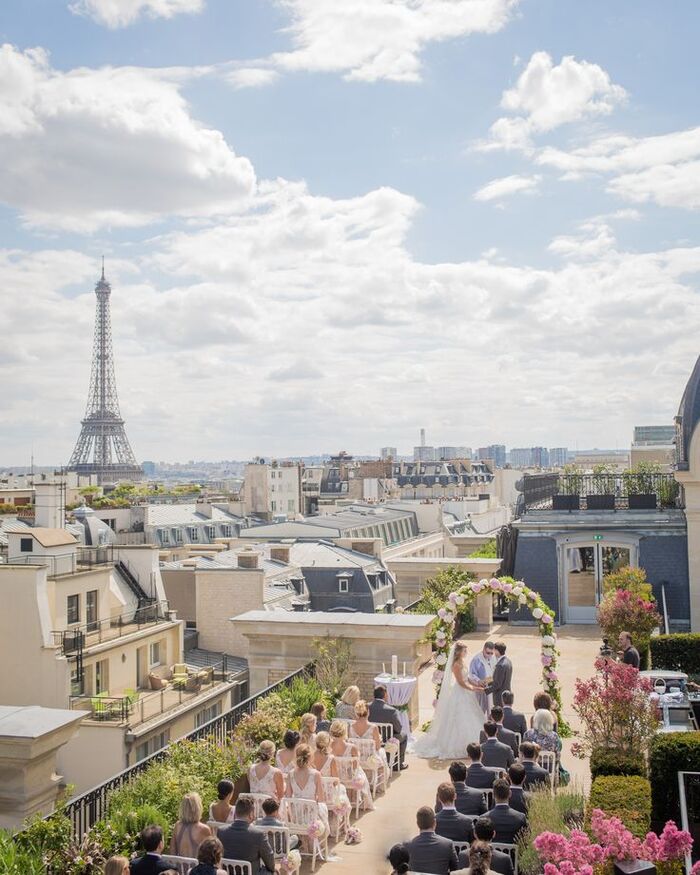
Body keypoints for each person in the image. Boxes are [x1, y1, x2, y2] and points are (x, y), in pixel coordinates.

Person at [415, 641, 488, 759]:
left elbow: (467, 678)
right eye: (464, 651)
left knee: (472, 716)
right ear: (459, 652)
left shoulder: (462, 662)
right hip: (460, 693)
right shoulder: (456, 665)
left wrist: (476, 683)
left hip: (467, 693)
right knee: (458, 719)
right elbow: (461, 682)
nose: (466, 653)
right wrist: (474, 689)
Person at [218, 797, 275, 874]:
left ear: (235, 813)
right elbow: (269, 860)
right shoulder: (258, 834)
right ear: (251, 814)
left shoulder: (221, 831)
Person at [329, 718, 374, 811]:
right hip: (349, 778)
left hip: (334, 778)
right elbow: (355, 767)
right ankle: (355, 799)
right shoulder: (352, 748)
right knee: (361, 773)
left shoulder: (328, 747)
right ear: (344, 732)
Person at [285, 743, 330, 834]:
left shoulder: (290, 774)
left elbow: (288, 797)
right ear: (310, 757)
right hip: (312, 817)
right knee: (323, 808)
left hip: (296, 817)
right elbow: (321, 799)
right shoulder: (316, 774)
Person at [404, 806, 459, 874]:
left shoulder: (408, 846)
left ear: (417, 824)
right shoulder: (448, 844)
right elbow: (455, 870)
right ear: (435, 823)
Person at [368, 684, 408, 770]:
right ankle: (398, 764)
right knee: (404, 735)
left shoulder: (366, 707)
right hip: (386, 739)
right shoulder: (391, 710)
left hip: (370, 738)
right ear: (385, 695)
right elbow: (398, 729)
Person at [350, 699, 389, 777]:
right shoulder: (373, 727)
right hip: (370, 760)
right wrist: (379, 740)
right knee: (382, 751)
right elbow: (377, 747)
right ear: (368, 712)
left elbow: (350, 745)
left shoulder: (351, 727)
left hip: (356, 759)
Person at [169, 792, 212, 858]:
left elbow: (172, 851)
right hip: (196, 867)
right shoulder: (204, 829)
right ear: (198, 808)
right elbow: (211, 853)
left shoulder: (177, 825)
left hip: (179, 866)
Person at [485, 779, 527, 844]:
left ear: (493, 795)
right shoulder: (521, 817)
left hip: (491, 853)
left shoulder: (484, 818)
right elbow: (525, 840)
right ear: (510, 794)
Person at [469, 641, 496, 714]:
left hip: (491, 687)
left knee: (491, 708)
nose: (489, 655)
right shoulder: (476, 659)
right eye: (488, 653)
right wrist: (478, 681)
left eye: (491, 653)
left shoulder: (493, 658)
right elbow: (472, 674)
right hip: (481, 688)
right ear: (483, 649)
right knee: (480, 710)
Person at [491, 643, 513, 708]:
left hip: (500, 697)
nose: (493, 652)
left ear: (497, 651)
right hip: (507, 694)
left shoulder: (500, 665)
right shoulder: (508, 661)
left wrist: (485, 690)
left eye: (494, 650)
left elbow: (497, 684)